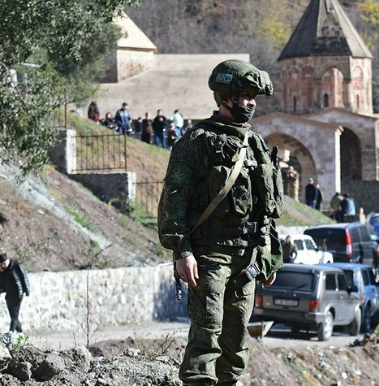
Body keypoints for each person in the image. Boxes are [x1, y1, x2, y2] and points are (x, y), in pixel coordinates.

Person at [158, 59, 282, 386]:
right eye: (243, 95)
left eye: (253, 96)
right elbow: (175, 196)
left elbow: (265, 209)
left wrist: (269, 256)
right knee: (207, 332)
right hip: (209, 256)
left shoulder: (255, 144)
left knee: (237, 337)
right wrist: (182, 251)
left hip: (247, 260)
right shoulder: (197, 140)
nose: (250, 103)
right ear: (224, 97)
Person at [0, 249, 30, 336]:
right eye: (1, 264)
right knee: (13, 314)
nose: (3, 265)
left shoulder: (16, 266)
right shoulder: (3, 270)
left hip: (18, 294)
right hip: (8, 295)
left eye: (4, 263)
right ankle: (20, 333)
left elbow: (24, 278)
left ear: (7, 260)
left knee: (14, 314)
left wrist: (26, 291)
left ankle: (11, 332)